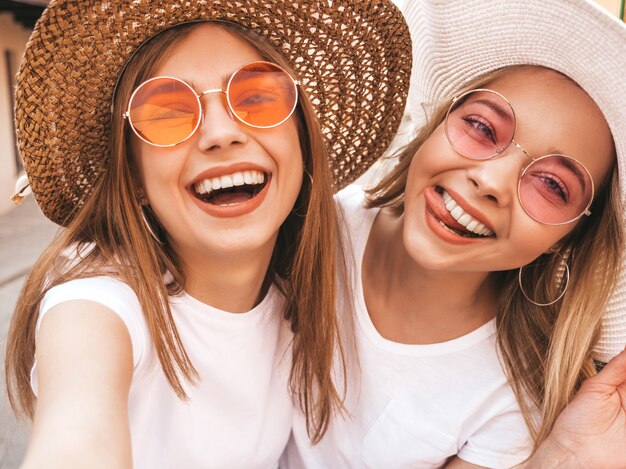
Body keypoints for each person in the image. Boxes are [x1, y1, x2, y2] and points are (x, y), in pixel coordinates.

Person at [3, 1, 412, 468]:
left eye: (258, 96)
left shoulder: (312, 273)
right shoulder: (99, 297)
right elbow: (76, 427)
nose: (221, 133)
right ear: (134, 177)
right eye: (165, 112)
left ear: (302, 139)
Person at [283, 0, 626, 467]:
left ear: (567, 237)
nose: (490, 182)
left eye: (552, 185)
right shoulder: (306, 231)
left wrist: (562, 458)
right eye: (482, 127)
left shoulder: (510, 399)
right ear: (439, 120)